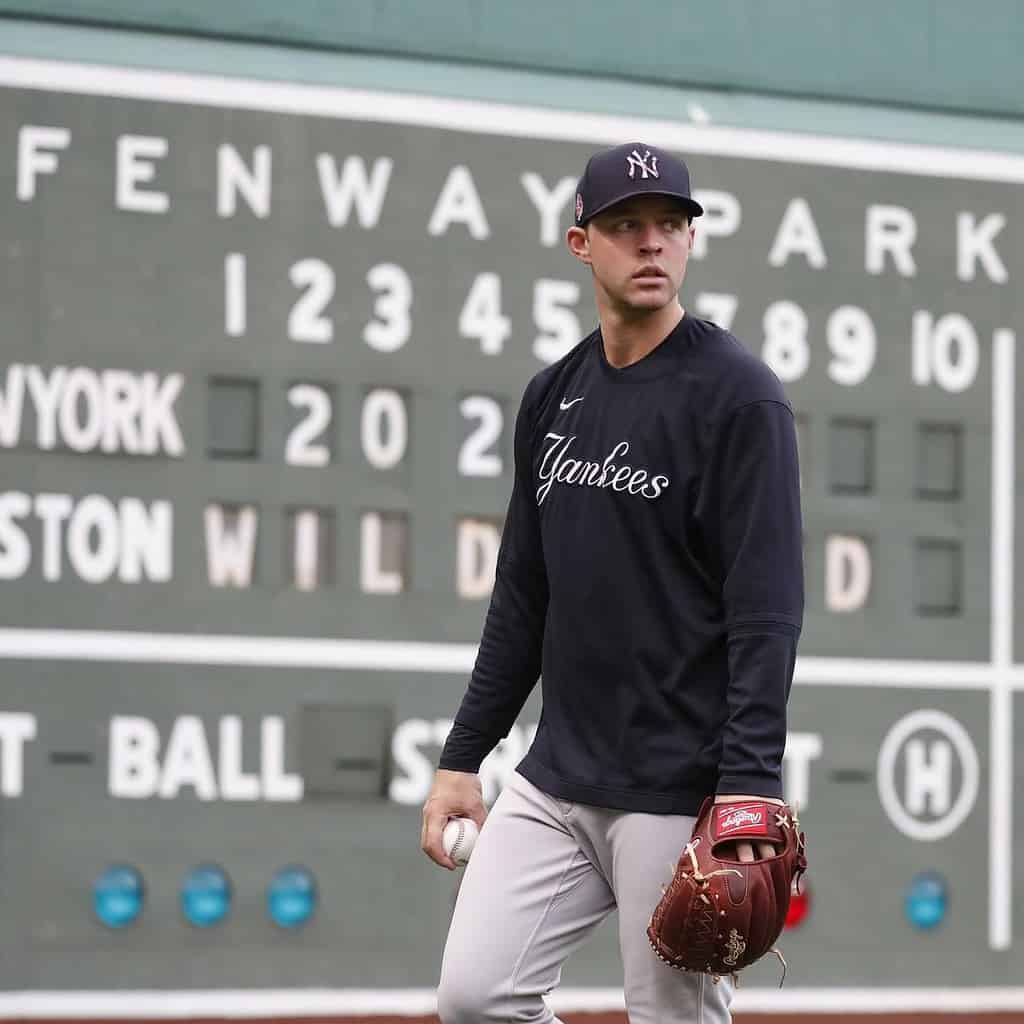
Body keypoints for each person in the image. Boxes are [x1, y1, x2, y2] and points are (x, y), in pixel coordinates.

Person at [421, 142, 804, 1024]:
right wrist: (461, 758)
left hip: (678, 792)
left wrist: (750, 783)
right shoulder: (554, 395)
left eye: (671, 225)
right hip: (557, 778)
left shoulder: (740, 398)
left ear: (690, 242)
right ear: (580, 243)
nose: (652, 244)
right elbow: (523, 594)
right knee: (477, 999)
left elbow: (767, 612)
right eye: (627, 226)